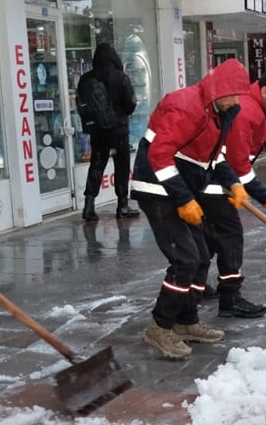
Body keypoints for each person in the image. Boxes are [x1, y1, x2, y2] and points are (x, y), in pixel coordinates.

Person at [130, 58, 251, 359]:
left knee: (200, 256)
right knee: (185, 258)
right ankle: (159, 327)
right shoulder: (188, 106)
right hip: (156, 188)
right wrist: (183, 200)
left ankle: (185, 322)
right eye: (235, 94)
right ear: (220, 89)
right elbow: (159, 154)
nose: (237, 101)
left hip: (178, 188)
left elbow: (214, 158)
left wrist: (233, 184)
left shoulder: (216, 113)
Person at [199, 68, 266, 319]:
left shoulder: (254, 109)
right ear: (265, 91)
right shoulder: (247, 112)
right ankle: (230, 298)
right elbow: (238, 165)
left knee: (209, 237)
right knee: (230, 237)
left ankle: (193, 286)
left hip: (215, 182)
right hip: (216, 184)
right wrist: (265, 197)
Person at [78, 43, 141, 221]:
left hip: (97, 132)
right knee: (121, 166)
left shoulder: (85, 79)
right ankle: (122, 204)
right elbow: (130, 103)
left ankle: (89, 204)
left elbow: (81, 105)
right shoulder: (120, 77)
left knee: (97, 165)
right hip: (118, 130)